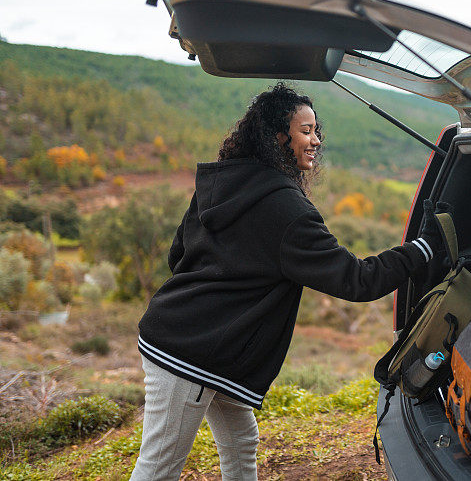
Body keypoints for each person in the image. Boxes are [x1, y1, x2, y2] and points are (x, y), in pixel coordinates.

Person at [130, 83, 445, 480]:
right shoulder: (288, 211)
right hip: (190, 353)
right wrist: (422, 250)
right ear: (279, 137)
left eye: (317, 130)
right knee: (159, 467)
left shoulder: (224, 181)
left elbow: (179, 255)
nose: (316, 140)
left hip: (191, 337)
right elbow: (357, 281)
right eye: (306, 131)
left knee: (241, 440)